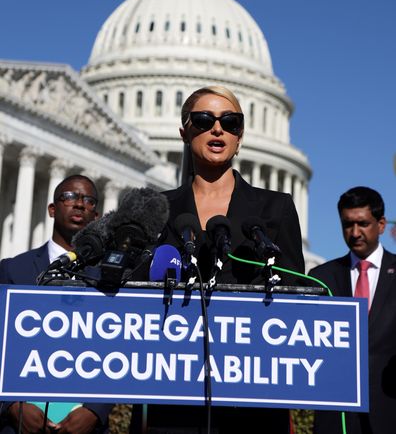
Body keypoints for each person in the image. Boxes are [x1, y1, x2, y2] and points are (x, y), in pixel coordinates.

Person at [131, 85, 305, 434]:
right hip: (169, 398)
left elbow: (294, 295)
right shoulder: (152, 209)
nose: (217, 129)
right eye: (204, 119)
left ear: (240, 137)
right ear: (185, 131)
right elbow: (133, 296)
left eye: (230, 122)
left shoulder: (275, 210)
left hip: (252, 400)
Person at [0, 174, 112, 434]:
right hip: (19, 424)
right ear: (52, 209)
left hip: (86, 426)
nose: (80, 204)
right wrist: (11, 405)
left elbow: (122, 350)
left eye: (88, 200)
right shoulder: (13, 270)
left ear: (96, 217)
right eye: (70, 197)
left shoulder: (111, 278)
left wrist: (96, 410)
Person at [309, 186, 396, 434]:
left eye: (362, 224)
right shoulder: (320, 278)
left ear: (380, 225)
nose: (355, 233)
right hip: (336, 417)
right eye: (347, 225)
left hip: (389, 410)